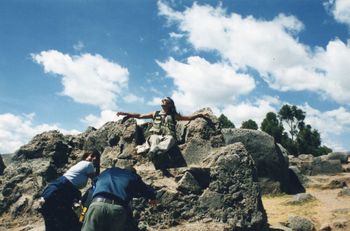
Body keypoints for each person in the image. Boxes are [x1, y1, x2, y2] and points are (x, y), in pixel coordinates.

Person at [116, 97, 208, 164]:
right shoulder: (154, 113)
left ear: (170, 104)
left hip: (167, 137)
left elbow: (188, 117)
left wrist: (201, 114)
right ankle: (153, 152)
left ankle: (156, 150)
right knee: (154, 138)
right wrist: (126, 113)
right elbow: (140, 116)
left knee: (171, 139)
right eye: (162, 100)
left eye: (165, 100)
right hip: (155, 136)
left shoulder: (174, 115)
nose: (163, 101)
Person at [39, 149, 100, 231]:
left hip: (53, 192)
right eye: (92, 156)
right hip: (58, 193)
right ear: (86, 156)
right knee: (72, 225)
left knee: (54, 226)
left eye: (96, 157)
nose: (94, 158)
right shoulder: (88, 164)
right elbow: (96, 180)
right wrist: (97, 166)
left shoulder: (80, 164)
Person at [81, 166, 157, 231]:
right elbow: (145, 189)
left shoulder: (108, 171)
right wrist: (152, 197)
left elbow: (93, 184)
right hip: (117, 209)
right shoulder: (132, 176)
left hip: (96, 205)